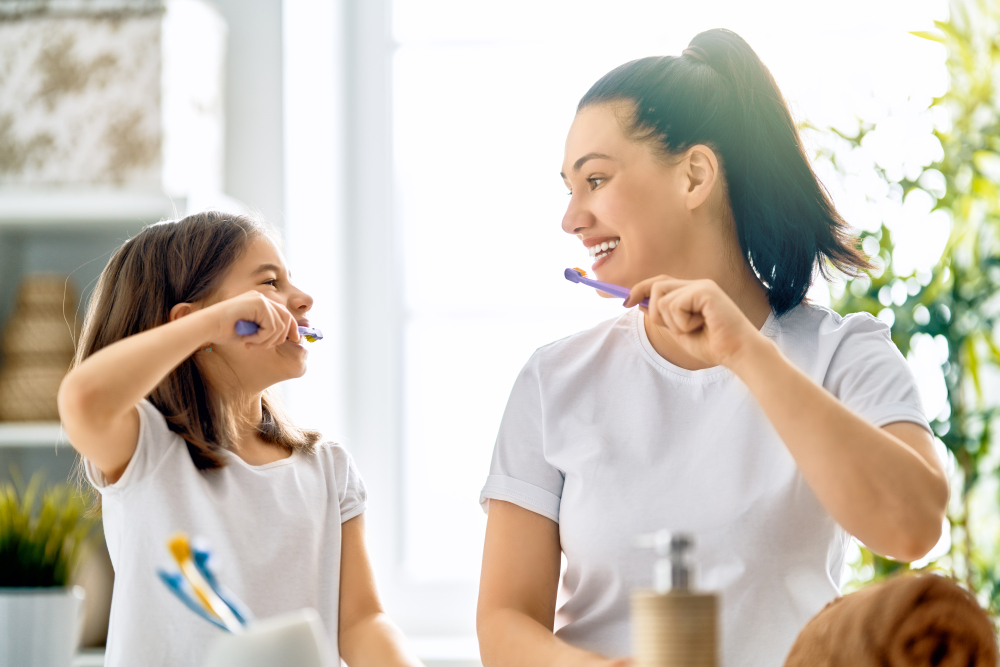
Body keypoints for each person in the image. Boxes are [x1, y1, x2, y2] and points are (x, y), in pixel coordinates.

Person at [476, 29, 949, 667]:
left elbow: (912, 526)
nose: (572, 218)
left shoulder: (844, 353)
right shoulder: (553, 379)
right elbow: (504, 622)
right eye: (569, 188)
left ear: (695, 174)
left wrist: (747, 355)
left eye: (595, 180)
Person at [59, 212, 423, 667]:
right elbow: (83, 399)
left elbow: (361, 622)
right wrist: (210, 324)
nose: (303, 298)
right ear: (193, 323)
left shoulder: (328, 469)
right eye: (271, 283)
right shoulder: (148, 451)